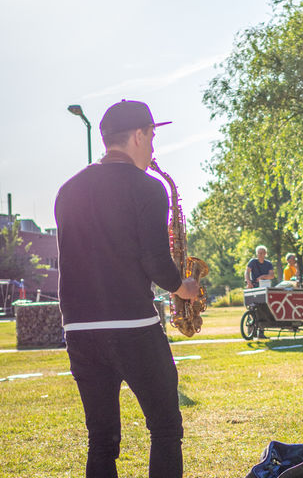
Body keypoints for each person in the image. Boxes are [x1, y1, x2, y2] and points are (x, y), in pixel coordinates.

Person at [55, 100, 200, 478]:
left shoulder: (67, 190)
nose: (153, 147)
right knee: (165, 428)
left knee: (101, 440)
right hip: (132, 326)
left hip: (79, 330)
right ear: (138, 135)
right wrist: (182, 287)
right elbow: (154, 259)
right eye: (151, 136)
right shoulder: (148, 188)